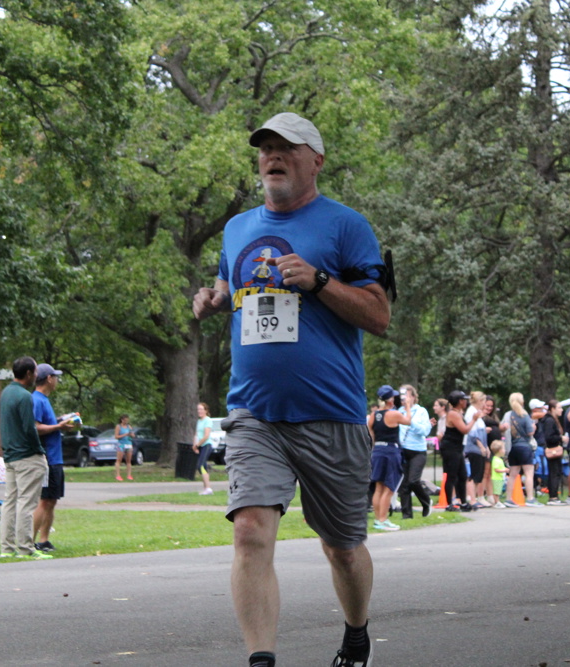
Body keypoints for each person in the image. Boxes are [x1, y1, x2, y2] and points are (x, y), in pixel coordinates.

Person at [191, 111, 390, 667]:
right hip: (255, 413)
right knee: (250, 531)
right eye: (265, 148)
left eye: (287, 147)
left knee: (342, 548)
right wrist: (212, 299)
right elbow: (228, 283)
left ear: (316, 160)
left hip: (331, 413)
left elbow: (379, 315)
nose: (272, 156)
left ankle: (356, 634)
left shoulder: (347, 226)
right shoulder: (237, 228)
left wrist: (320, 281)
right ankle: (261, 660)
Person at [0, 357, 53, 560]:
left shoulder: (6, 393)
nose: (37, 375)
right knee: (27, 503)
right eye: (36, 371)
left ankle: (6, 548)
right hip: (27, 456)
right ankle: (25, 548)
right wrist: (39, 450)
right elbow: (29, 429)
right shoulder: (24, 396)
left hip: (10, 456)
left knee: (10, 502)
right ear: (29, 374)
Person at [32, 363, 73, 553]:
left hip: (55, 458)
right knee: (44, 501)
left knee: (51, 500)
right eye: (55, 377)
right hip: (47, 458)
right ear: (49, 379)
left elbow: (46, 424)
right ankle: (29, 542)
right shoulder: (36, 400)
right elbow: (35, 427)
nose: (57, 380)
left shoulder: (44, 400)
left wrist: (59, 421)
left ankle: (44, 541)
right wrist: (59, 426)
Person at [367, 386, 410, 531]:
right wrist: (407, 407)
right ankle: (383, 519)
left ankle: (377, 519)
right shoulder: (394, 414)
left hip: (377, 451)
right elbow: (408, 421)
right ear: (390, 400)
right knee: (389, 488)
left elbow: (372, 435)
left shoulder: (373, 415)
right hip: (390, 451)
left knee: (378, 487)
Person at [397, 384, 434, 519]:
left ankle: (426, 501)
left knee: (413, 480)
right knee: (404, 485)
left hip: (417, 450)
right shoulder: (398, 411)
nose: (404, 399)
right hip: (403, 449)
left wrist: (410, 420)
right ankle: (406, 515)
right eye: (402, 396)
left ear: (413, 397)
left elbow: (424, 431)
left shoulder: (421, 411)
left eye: (407, 396)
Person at [506, 393, 541, 507]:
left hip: (512, 447)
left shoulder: (508, 415)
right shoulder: (524, 414)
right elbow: (530, 432)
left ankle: (508, 498)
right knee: (529, 473)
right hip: (525, 446)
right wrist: (534, 427)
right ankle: (530, 498)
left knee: (513, 474)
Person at [440, 391, 473, 512]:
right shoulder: (453, 414)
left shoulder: (458, 413)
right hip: (450, 447)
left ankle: (463, 502)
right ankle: (449, 504)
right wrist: (474, 419)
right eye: (464, 400)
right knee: (452, 475)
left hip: (457, 447)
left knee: (462, 475)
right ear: (460, 401)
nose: (466, 402)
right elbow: (465, 430)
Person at [541, 400, 567, 505]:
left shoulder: (552, 420)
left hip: (555, 448)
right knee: (554, 472)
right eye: (559, 408)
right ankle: (553, 496)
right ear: (552, 409)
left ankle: (554, 495)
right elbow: (549, 437)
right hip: (553, 449)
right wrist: (561, 438)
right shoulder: (549, 421)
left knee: (556, 472)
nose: (561, 410)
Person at [194, 403, 214, 495]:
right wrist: (195, 445)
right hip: (200, 446)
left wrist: (198, 444)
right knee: (203, 466)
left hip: (206, 445)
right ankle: (206, 488)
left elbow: (206, 436)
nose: (199, 411)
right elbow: (196, 434)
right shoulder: (199, 421)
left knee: (201, 465)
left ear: (206, 410)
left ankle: (208, 488)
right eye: (198, 409)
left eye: (201, 409)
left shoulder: (208, 420)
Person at [114, 414, 135, 482]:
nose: (126, 421)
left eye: (127, 420)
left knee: (128, 460)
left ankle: (129, 475)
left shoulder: (129, 426)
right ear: (122, 420)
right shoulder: (118, 426)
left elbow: (133, 435)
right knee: (119, 460)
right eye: (125, 420)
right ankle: (118, 475)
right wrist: (125, 434)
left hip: (128, 444)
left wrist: (131, 435)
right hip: (121, 444)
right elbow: (116, 436)